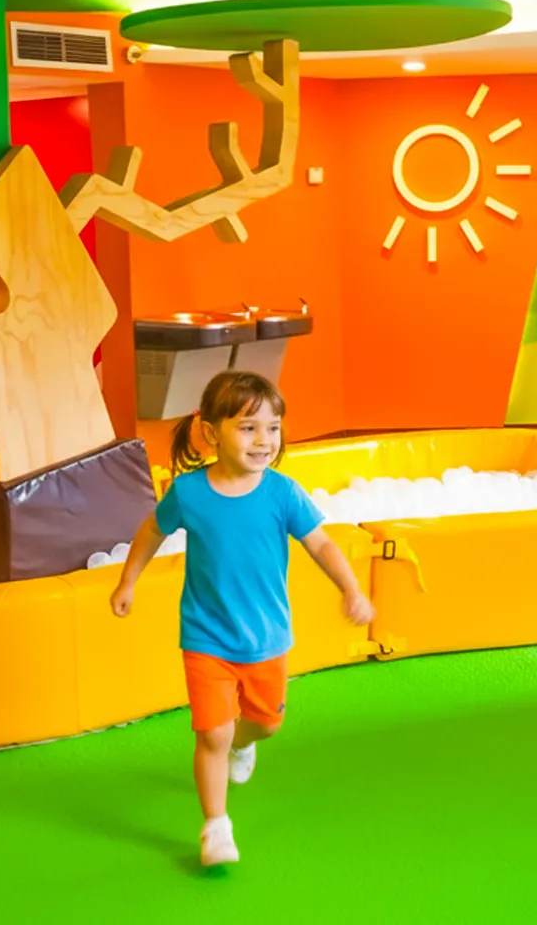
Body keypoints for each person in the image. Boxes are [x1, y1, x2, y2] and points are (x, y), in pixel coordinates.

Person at [111, 370, 375, 867]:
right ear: (212, 433)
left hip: (267, 638)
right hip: (206, 635)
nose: (264, 440)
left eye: (272, 428)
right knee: (212, 733)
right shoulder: (190, 494)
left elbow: (320, 543)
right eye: (248, 427)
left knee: (266, 725)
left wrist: (351, 588)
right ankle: (215, 826)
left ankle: (243, 744)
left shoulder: (282, 493)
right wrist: (128, 581)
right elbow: (151, 530)